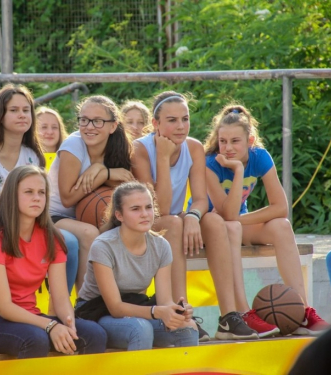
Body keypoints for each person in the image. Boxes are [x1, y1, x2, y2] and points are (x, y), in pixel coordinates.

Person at [131, 91, 258, 341]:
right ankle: (182, 313)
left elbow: (200, 199)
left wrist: (193, 216)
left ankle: (228, 317)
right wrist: (164, 156)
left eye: (185, 119)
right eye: (172, 120)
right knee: (175, 222)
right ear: (155, 124)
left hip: (178, 219)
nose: (181, 126)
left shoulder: (194, 147)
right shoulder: (140, 149)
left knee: (212, 219)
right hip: (145, 222)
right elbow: (160, 209)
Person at [203, 104, 329, 335]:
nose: (228, 148)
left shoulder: (259, 157)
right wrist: (238, 171)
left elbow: (280, 208)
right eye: (223, 141)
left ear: (250, 141)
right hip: (211, 228)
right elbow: (226, 214)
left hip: (236, 225)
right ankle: (242, 312)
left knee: (282, 226)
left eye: (235, 141)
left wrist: (241, 220)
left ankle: (302, 312)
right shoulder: (210, 164)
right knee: (230, 226)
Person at [0, 165, 107, 358]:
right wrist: (50, 325)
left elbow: (60, 298)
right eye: (29, 192)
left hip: (30, 318)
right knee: (35, 340)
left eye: (41, 192)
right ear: (12, 196)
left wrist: (69, 323)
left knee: (93, 334)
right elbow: (4, 307)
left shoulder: (52, 238)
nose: (37, 197)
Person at [76, 181, 199, 350]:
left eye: (148, 207)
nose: (144, 214)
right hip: (96, 312)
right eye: (135, 209)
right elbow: (115, 308)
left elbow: (164, 301)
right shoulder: (103, 246)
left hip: (137, 308)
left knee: (188, 329)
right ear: (119, 215)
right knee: (141, 329)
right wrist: (157, 312)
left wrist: (178, 311)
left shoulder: (161, 246)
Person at [0, 85, 79, 296]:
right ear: (0, 115)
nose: (22, 115)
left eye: (26, 110)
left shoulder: (32, 156)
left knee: (69, 241)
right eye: (14, 110)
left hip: (29, 225)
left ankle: (59, 311)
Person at [49, 95, 134, 291]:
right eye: (84, 120)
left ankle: (123, 295)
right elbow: (68, 198)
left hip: (85, 216)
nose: (89, 126)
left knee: (123, 230)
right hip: (55, 215)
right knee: (89, 234)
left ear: (113, 126)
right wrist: (105, 172)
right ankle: (85, 302)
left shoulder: (119, 147)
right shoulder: (73, 145)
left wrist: (101, 171)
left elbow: (128, 182)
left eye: (97, 121)